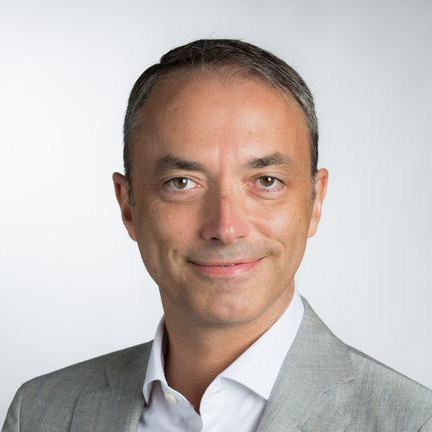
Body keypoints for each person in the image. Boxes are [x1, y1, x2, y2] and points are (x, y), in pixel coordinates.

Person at [2, 39, 432, 432]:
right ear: (128, 205)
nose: (225, 228)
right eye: (182, 183)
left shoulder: (413, 422)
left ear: (315, 201)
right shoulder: (39, 413)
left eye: (266, 181)